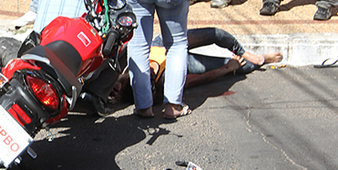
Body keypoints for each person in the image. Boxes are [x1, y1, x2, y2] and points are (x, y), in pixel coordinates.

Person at [111, 28, 283, 103]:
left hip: (162, 44)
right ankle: (262, 58)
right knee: (242, 67)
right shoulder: (164, 81)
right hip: (183, 62)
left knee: (215, 34)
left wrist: (116, 83)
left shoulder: (127, 66)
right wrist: (226, 69)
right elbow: (199, 79)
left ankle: (242, 50)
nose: (147, 71)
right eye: (148, 77)